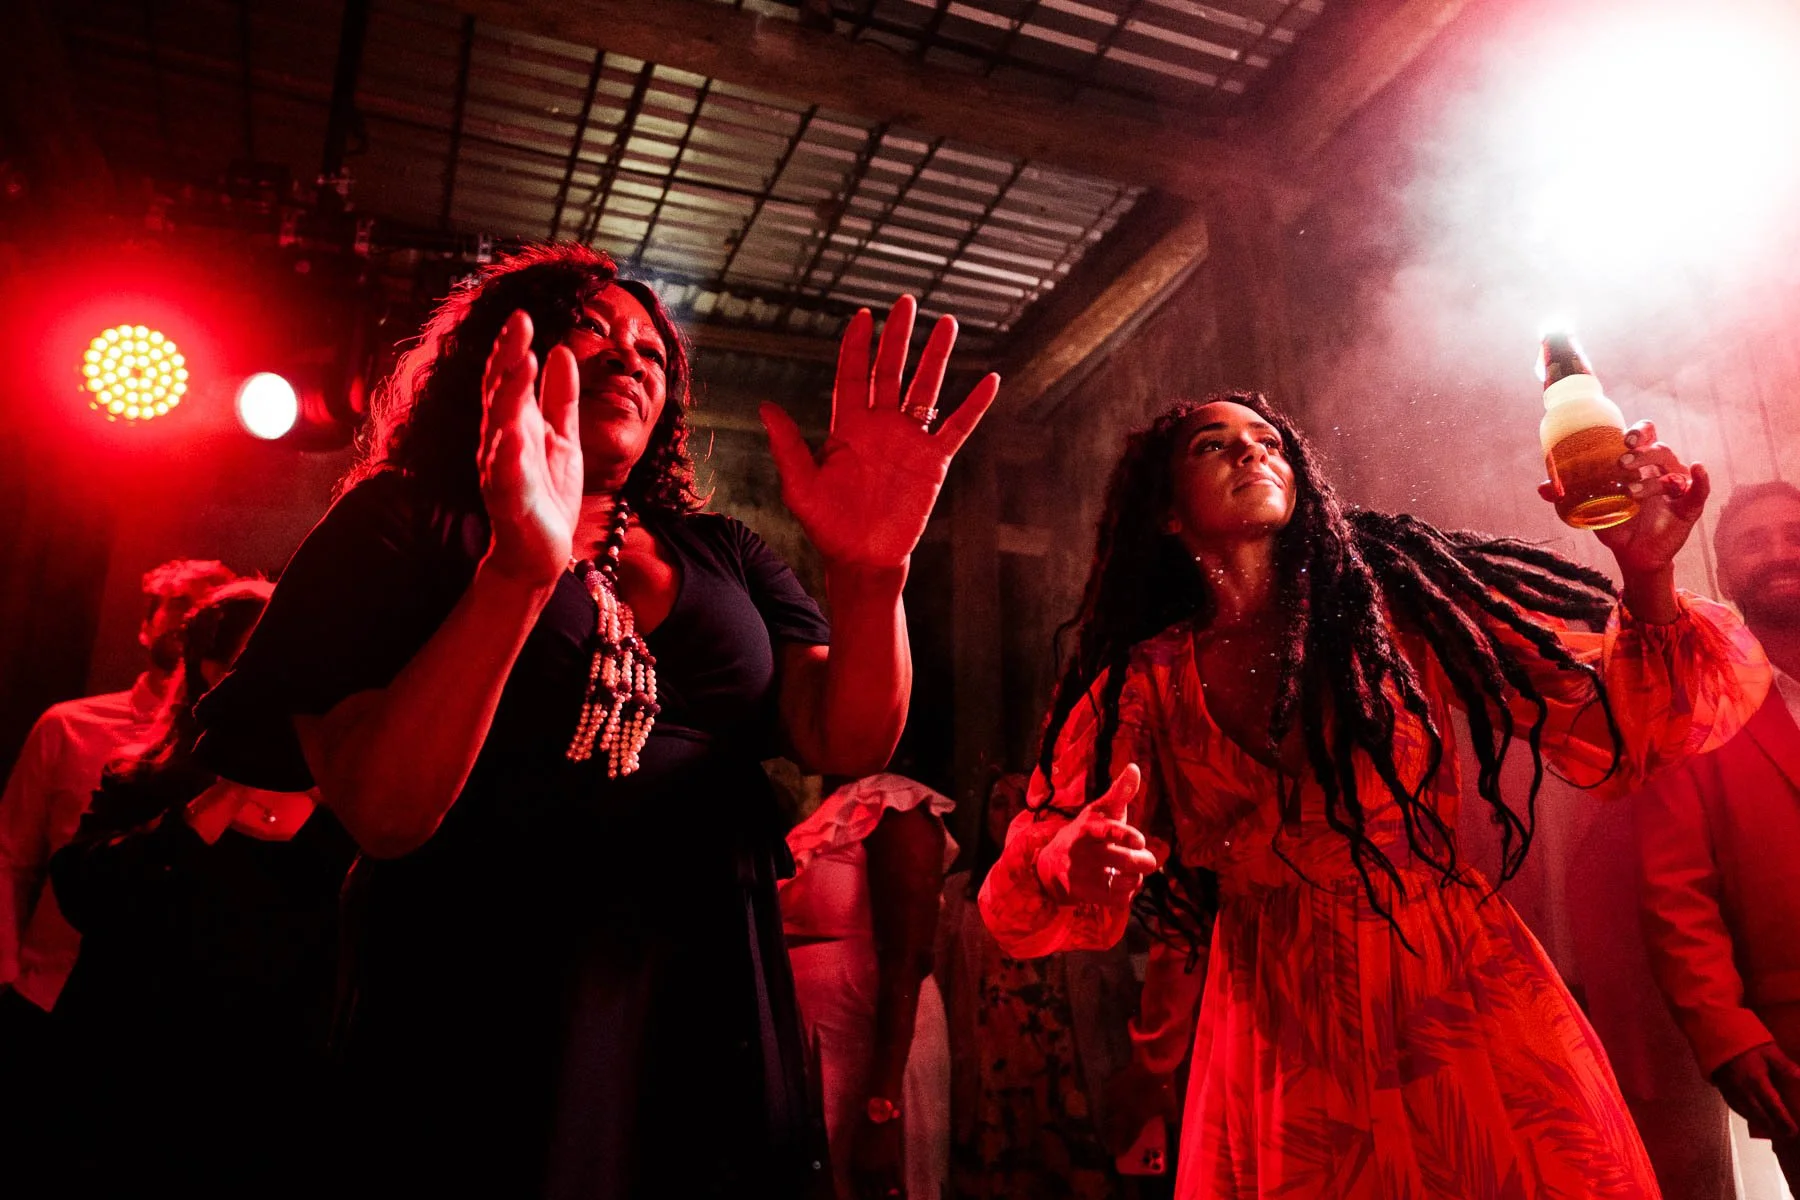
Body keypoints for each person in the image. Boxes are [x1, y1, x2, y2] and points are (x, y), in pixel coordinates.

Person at [193, 243, 997, 1197]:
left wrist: (873, 577)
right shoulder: (406, 520)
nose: (630, 359)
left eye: (652, 354)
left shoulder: (722, 551)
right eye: (594, 331)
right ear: (508, 356)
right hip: (482, 973)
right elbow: (384, 811)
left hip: (706, 966)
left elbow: (847, 737)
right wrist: (515, 576)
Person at [979, 392, 1769, 1198]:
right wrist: (1062, 862)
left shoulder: (1396, 613)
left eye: (1268, 442)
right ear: (1167, 515)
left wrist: (1647, 575)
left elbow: (1623, 727)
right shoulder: (1143, 682)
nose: (1252, 455)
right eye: (1213, 447)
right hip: (1277, 1020)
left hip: (1455, 982)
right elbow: (1033, 872)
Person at [48, 578, 355, 1198]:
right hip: (127, 1075)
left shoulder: (351, 811)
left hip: (263, 1094)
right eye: (254, 663)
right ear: (211, 674)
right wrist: (212, 804)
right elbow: (82, 891)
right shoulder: (145, 778)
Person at [1636, 479, 1800, 1190]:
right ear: (1725, 574)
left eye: (1796, 535)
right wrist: (1725, 1032)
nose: (1779, 553)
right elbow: (1675, 891)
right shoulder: (1696, 707)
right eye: (1752, 542)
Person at [780, 772, 956, 1200]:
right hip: (813, 1041)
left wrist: (882, 1108)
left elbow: (908, 956)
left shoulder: (894, 805)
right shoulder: (816, 805)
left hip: (872, 1043)